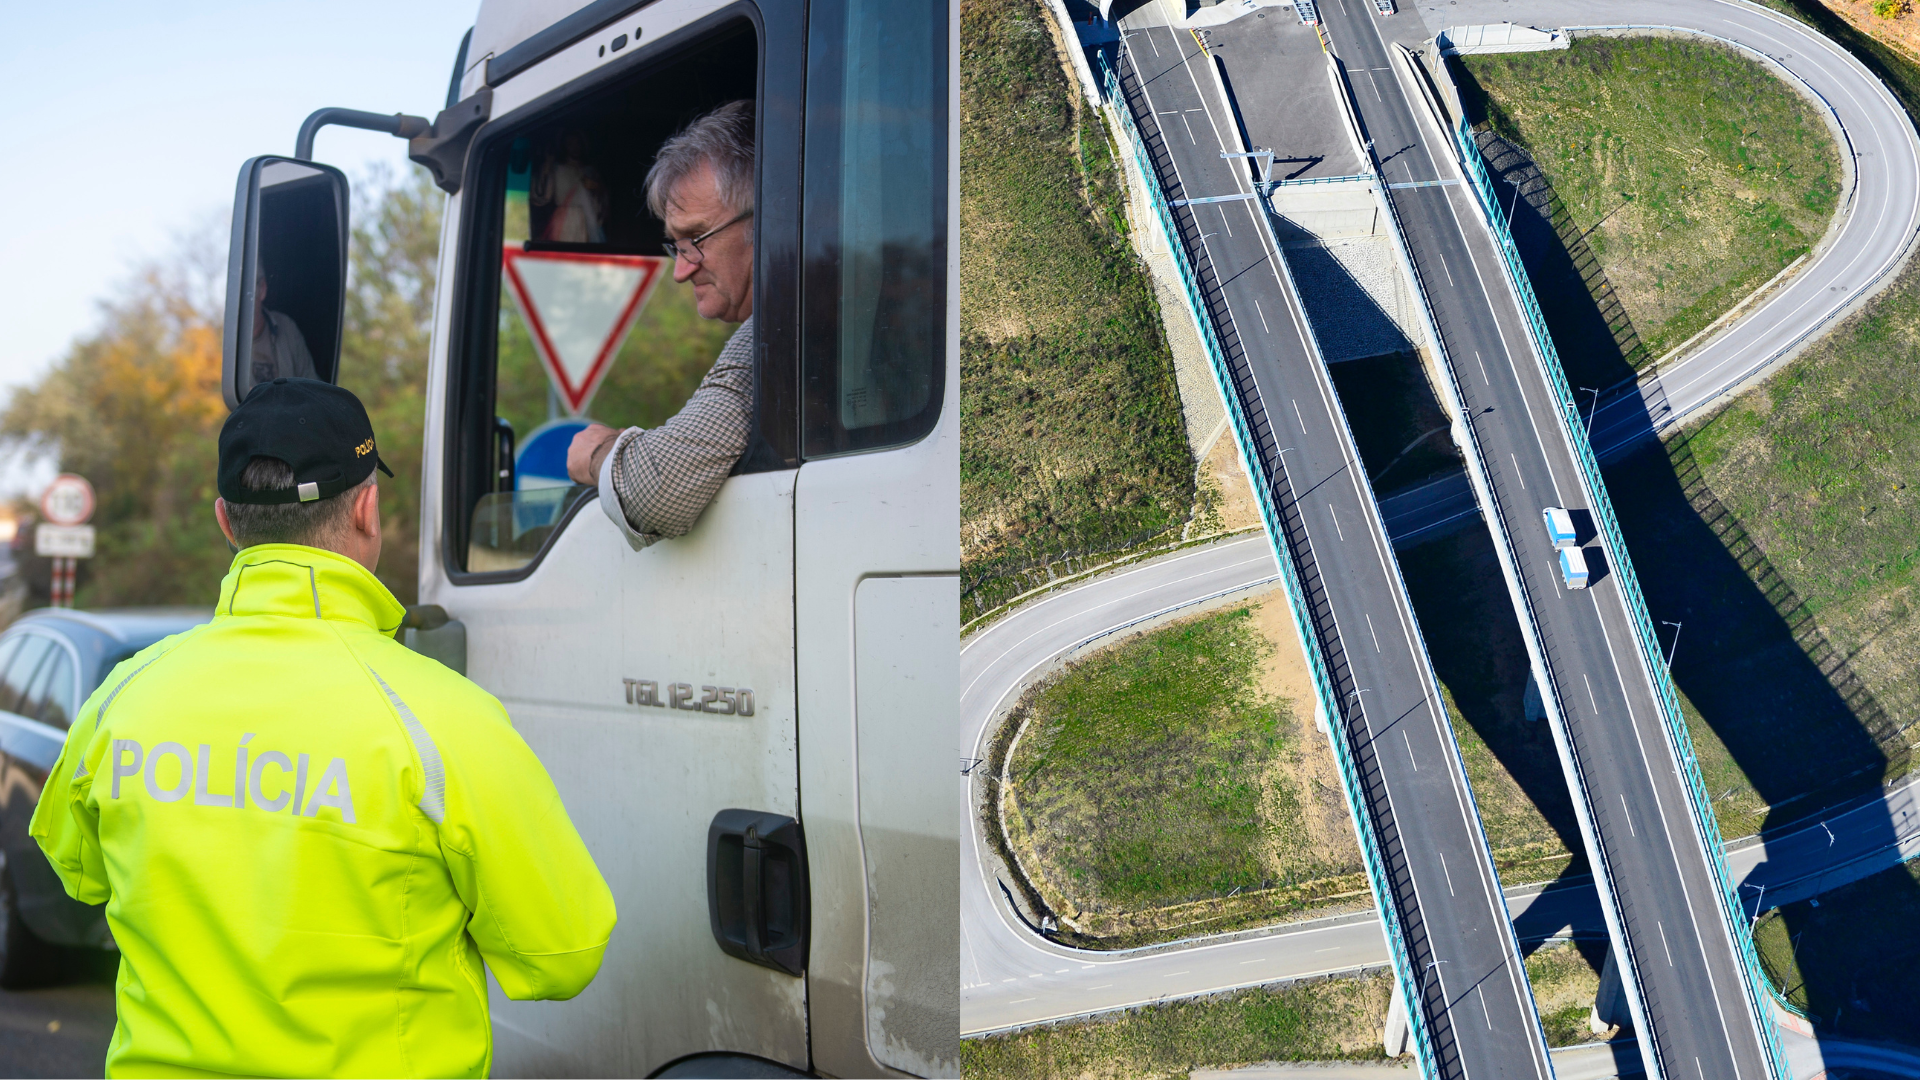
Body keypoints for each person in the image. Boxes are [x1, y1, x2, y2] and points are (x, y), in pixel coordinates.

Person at [29, 378, 617, 1078]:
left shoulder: (123, 695)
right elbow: (565, 953)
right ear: (367, 507)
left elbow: (78, 875)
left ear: (225, 521)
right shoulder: (443, 717)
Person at [566, 100, 755, 549]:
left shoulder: (778, 334)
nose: (680, 270)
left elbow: (655, 489)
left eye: (697, 239)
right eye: (677, 245)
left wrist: (598, 453)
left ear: (767, 219)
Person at [249, 264, 317, 385]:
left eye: (246, 288)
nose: (238, 298)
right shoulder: (222, 341)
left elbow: (312, 388)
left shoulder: (287, 328)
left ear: (262, 289)